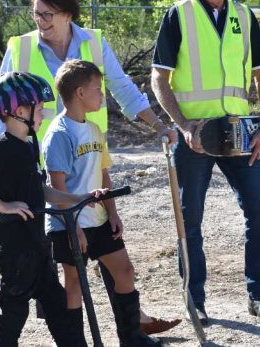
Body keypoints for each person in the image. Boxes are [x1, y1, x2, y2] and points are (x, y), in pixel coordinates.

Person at [0, 0, 180, 335]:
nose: (40, 20)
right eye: (36, 13)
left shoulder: (93, 42)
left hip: (92, 162)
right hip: (42, 168)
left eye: (48, 14)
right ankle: (68, 335)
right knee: (59, 264)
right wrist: (6, 159)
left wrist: (157, 123)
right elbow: (2, 104)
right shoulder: (20, 48)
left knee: (107, 256)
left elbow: (123, 88)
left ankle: (130, 330)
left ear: (68, 14)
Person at [150, 0, 260, 325]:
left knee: (259, 216)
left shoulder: (244, 16)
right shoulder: (179, 15)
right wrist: (183, 125)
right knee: (189, 221)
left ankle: (259, 296)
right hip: (196, 137)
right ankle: (195, 301)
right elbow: (159, 78)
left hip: (240, 134)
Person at [0, 71, 105, 347]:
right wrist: (2, 205)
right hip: (15, 250)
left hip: (37, 244)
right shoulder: (4, 149)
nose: (43, 114)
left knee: (56, 306)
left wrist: (77, 198)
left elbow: (40, 190)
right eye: (39, 108)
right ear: (18, 111)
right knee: (15, 312)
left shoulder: (29, 143)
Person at [43, 60, 162, 346]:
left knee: (125, 271)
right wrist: (76, 230)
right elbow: (56, 187)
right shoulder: (59, 134)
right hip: (69, 224)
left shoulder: (95, 130)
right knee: (74, 285)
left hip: (98, 220)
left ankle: (131, 337)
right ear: (80, 93)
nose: (102, 95)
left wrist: (112, 212)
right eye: (97, 89)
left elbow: (104, 174)